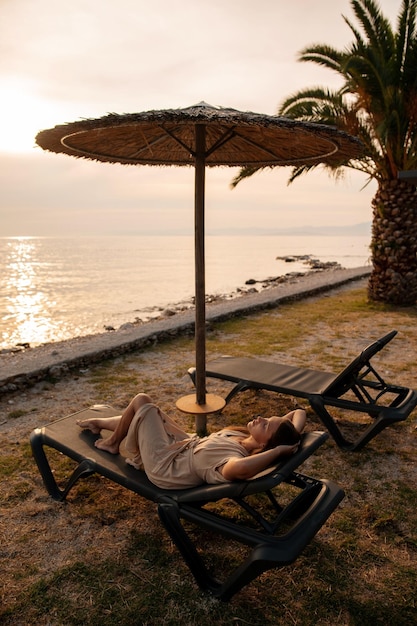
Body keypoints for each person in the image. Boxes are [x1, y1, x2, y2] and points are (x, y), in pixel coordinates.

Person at [77, 393, 306, 489]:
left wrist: (278, 451)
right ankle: (100, 422)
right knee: (149, 415)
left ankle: (112, 443)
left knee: (142, 401)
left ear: (265, 446)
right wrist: (291, 434)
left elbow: (243, 470)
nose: (260, 418)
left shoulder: (234, 459)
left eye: (265, 425)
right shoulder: (244, 439)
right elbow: (298, 413)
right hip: (183, 445)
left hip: (165, 466)